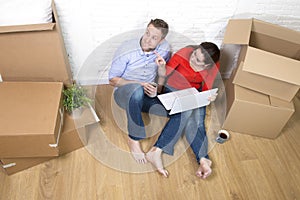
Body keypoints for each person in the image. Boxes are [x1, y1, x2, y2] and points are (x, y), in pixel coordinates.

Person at [145, 42, 221, 179]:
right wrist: (161, 67)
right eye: (194, 54)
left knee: (197, 122)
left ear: (207, 66)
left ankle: (203, 159)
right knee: (185, 111)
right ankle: (156, 150)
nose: (192, 59)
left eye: (198, 60)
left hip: (193, 91)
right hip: (173, 88)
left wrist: (208, 96)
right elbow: (165, 74)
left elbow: (206, 87)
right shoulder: (184, 53)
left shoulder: (214, 66)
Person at [108, 19, 172, 164]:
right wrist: (139, 84)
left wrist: (157, 88)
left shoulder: (164, 49)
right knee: (136, 91)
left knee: (175, 109)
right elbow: (112, 80)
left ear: (161, 40)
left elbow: (161, 77)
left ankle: (157, 149)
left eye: (154, 38)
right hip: (124, 93)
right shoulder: (126, 50)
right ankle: (133, 139)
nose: (147, 39)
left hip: (147, 93)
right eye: (147, 33)